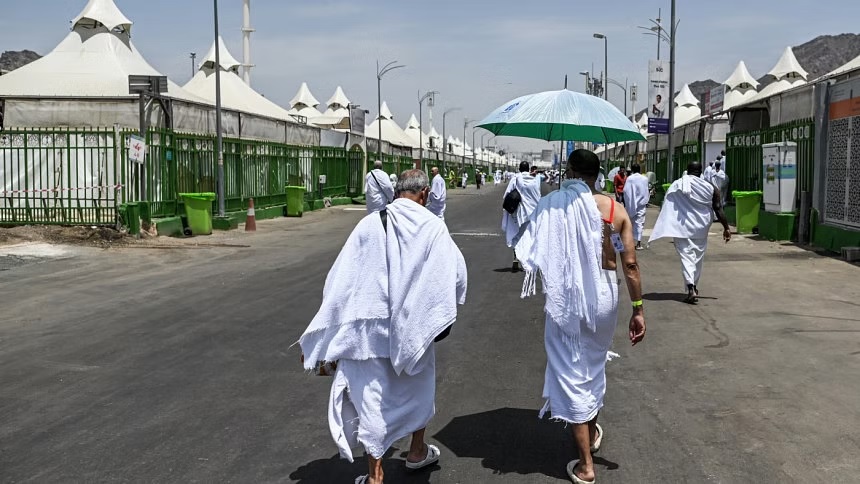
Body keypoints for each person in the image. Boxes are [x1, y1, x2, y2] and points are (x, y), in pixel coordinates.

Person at [299, 169, 468, 484]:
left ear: (396, 191)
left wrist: (325, 333)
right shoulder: (434, 227)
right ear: (425, 194)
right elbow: (457, 276)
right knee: (418, 391)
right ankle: (417, 451)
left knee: (371, 399)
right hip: (415, 329)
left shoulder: (368, 224)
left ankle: (375, 474)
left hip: (369, 333)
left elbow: (340, 280)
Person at [516, 149, 645, 484]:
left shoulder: (556, 204)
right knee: (593, 363)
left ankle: (586, 464)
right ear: (598, 174)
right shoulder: (615, 210)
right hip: (605, 297)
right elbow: (630, 264)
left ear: (570, 171)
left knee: (570, 371)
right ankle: (590, 426)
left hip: (569, 298)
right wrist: (638, 309)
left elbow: (533, 248)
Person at [649, 161, 732, 304]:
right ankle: (693, 286)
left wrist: (668, 223)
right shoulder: (710, 187)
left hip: (681, 227)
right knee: (697, 258)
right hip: (701, 227)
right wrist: (726, 228)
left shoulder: (677, 184)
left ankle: (690, 287)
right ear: (701, 172)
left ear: (687, 170)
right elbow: (718, 208)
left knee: (686, 257)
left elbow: (668, 204)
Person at [502, 161, 543, 272]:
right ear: (528, 169)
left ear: (519, 169)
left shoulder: (516, 178)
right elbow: (538, 196)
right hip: (532, 213)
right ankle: (527, 259)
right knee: (530, 236)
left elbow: (507, 195)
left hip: (519, 213)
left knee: (516, 235)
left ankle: (516, 258)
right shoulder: (534, 180)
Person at [623, 163, 651, 250]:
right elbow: (646, 191)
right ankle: (638, 243)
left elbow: (626, 191)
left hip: (632, 204)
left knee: (630, 223)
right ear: (640, 170)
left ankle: (629, 242)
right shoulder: (645, 179)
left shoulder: (630, 178)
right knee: (640, 223)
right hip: (641, 204)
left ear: (632, 170)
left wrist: (628, 203)